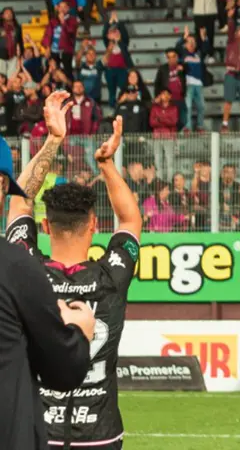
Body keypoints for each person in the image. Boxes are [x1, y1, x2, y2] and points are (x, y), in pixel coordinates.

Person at [5, 92, 141, 450]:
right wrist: (107, 164)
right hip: (101, 435)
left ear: (45, 227)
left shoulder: (26, 269)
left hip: (39, 432)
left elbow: (20, 201)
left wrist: (53, 139)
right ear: (94, 224)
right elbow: (129, 219)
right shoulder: (112, 277)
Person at [0, 132, 95, 450]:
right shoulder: (15, 266)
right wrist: (79, 332)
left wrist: (53, 139)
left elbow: (19, 204)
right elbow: (63, 371)